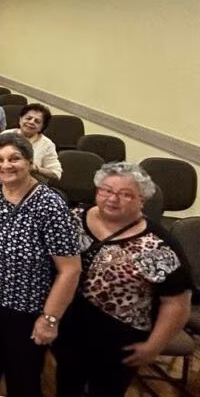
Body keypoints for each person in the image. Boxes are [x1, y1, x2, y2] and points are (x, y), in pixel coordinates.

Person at [54, 162, 193, 397]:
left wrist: (154, 345)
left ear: (142, 200)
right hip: (69, 326)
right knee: (66, 385)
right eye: (106, 190)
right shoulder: (74, 219)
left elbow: (176, 303)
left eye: (125, 194)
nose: (112, 198)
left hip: (119, 339)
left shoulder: (157, 246)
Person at [0, 133, 81, 397]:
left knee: (23, 378)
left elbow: (70, 269)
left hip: (26, 310)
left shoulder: (50, 205)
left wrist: (50, 319)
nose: (6, 165)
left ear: (30, 162)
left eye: (14, 158)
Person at [0, 103, 62, 181]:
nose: (31, 122)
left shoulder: (47, 144)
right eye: (28, 118)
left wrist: (36, 169)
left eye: (37, 121)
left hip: (32, 185)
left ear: (42, 127)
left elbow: (56, 174)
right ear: (20, 119)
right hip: (2, 181)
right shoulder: (5, 135)